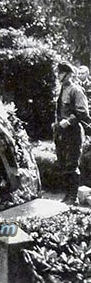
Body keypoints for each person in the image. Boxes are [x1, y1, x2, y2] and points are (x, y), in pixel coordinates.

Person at [53, 61, 90, 205]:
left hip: (73, 132)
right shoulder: (61, 89)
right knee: (63, 163)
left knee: (72, 164)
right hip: (61, 133)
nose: (58, 75)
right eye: (58, 73)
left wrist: (69, 121)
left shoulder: (76, 90)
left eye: (61, 73)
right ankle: (67, 195)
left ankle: (73, 198)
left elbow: (83, 112)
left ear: (68, 75)